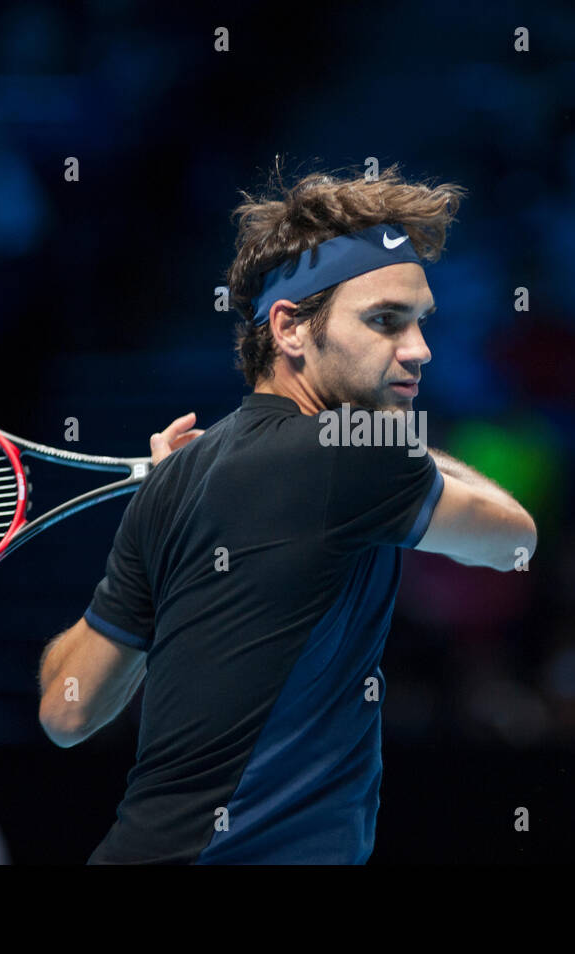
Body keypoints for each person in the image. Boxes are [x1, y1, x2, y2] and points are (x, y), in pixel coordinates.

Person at [37, 161, 537, 863]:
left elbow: (66, 710)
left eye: (420, 322)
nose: (419, 350)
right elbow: (514, 538)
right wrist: (398, 440)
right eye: (385, 322)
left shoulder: (177, 484)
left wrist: (157, 529)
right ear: (291, 329)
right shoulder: (358, 456)